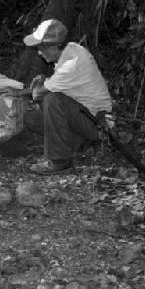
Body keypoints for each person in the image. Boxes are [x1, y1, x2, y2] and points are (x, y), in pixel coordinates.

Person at [23, 19, 113, 175]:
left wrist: (37, 86)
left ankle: (60, 161)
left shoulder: (72, 63)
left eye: (41, 48)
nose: (39, 52)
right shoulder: (72, 50)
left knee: (51, 100)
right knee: (32, 118)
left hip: (98, 122)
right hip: (84, 115)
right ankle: (80, 143)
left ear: (54, 46)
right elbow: (53, 86)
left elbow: (38, 94)